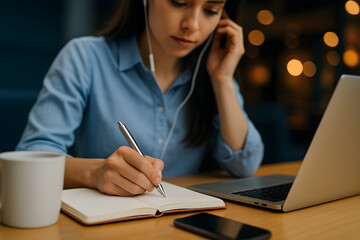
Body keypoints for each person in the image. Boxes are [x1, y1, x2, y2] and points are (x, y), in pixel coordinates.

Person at [16, 0, 264, 197]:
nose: (193, 25)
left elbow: (245, 165)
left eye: (210, 10)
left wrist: (222, 79)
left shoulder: (212, 72)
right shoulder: (85, 57)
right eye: (178, 3)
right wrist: (96, 173)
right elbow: (33, 158)